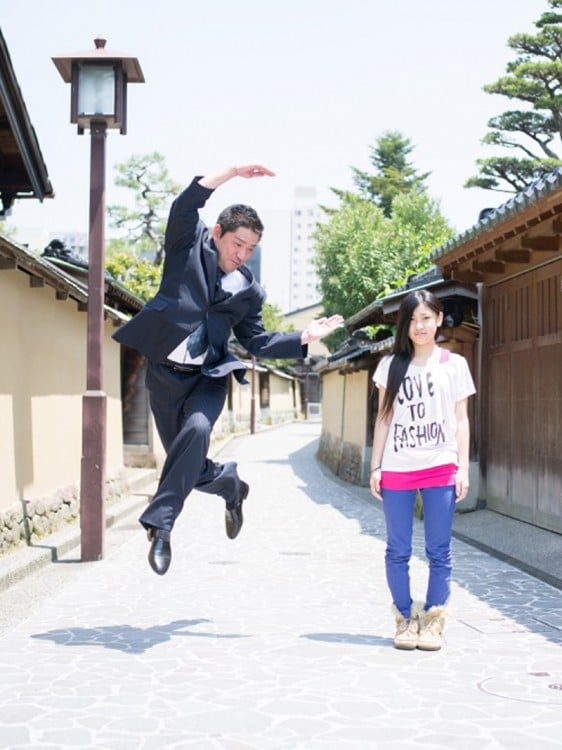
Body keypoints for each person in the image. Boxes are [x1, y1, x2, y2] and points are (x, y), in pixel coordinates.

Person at [113, 164, 343, 575]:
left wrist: (304, 337)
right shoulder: (187, 246)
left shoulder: (249, 291)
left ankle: (160, 527)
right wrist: (233, 172)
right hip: (165, 375)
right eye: (238, 244)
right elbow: (186, 204)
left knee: (198, 431)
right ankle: (231, 486)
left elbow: (256, 341)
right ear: (217, 233)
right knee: (191, 468)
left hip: (208, 378)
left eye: (250, 249)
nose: (242, 254)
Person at [369, 289, 475, 651]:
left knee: (438, 549)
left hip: (440, 466)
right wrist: (376, 466)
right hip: (398, 467)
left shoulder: (454, 364)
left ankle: (433, 620)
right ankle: (404, 619)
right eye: (413, 319)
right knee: (397, 549)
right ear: (405, 324)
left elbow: (461, 420)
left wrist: (462, 468)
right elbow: (383, 420)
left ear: (439, 320)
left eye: (427, 318)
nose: (420, 325)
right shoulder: (391, 365)